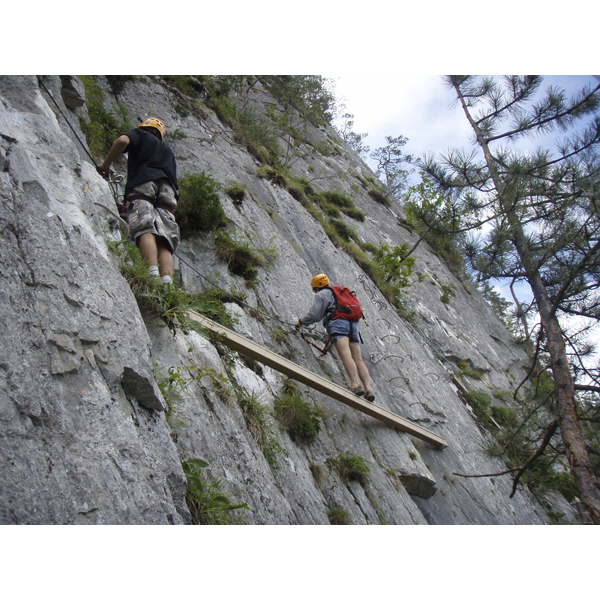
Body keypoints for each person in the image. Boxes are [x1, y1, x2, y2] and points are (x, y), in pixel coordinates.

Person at [96, 117, 180, 284]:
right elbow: (176, 189)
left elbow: (122, 140)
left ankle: (152, 276)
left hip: (144, 184)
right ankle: (167, 286)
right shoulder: (168, 152)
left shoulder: (140, 135)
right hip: (168, 193)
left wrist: (106, 165)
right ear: (160, 135)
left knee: (145, 227)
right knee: (164, 238)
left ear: (144, 127)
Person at [295, 274, 375, 401]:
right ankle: (368, 389)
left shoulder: (321, 295)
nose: (315, 291)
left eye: (315, 289)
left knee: (345, 355)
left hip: (339, 323)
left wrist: (301, 322)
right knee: (358, 359)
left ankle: (355, 385)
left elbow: (315, 315)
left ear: (317, 287)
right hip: (354, 325)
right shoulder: (339, 290)